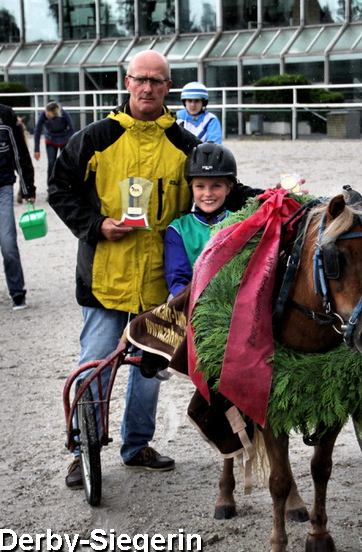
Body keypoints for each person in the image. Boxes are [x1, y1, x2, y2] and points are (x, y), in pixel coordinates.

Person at [49, 51, 256, 490]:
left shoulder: (184, 144)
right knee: (94, 365)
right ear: (127, 83)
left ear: (168, 88)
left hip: (161, 283)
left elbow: (220, 186)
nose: (148, 88)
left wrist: (277, 198)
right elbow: (59, 187)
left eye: (157, 82)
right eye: (140, 80)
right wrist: (95, 225)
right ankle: (81, 450)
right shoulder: (95, 138)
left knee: (148, 366)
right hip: (105, 277)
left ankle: (137, 445)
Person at [0, 90, 36, 310]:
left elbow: (19, 152)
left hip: (2, 188)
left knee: (8, 244)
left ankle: (17, 294)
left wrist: (27, 188)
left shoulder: (4, 115)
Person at [164, 142, 237, 297]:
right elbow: (178, 280)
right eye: (200, 186)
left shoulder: (241, 223)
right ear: (191, 188)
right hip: (190, 300)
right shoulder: (178, 229)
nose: (208, 193)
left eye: (216, 186)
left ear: (229, 188)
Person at [33, 101, 74, 187]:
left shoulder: (64, 114)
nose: (46, 114)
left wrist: (71, 144)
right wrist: (36, 149)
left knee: (64, 163)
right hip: (50, 139)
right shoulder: (43, 115)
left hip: (64, 139)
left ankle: (66, 184)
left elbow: (71, 129)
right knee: (51, 163)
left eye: (48, 112)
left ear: (54, 112)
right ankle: (51, 186)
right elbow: (37, 130)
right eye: (46, 112)